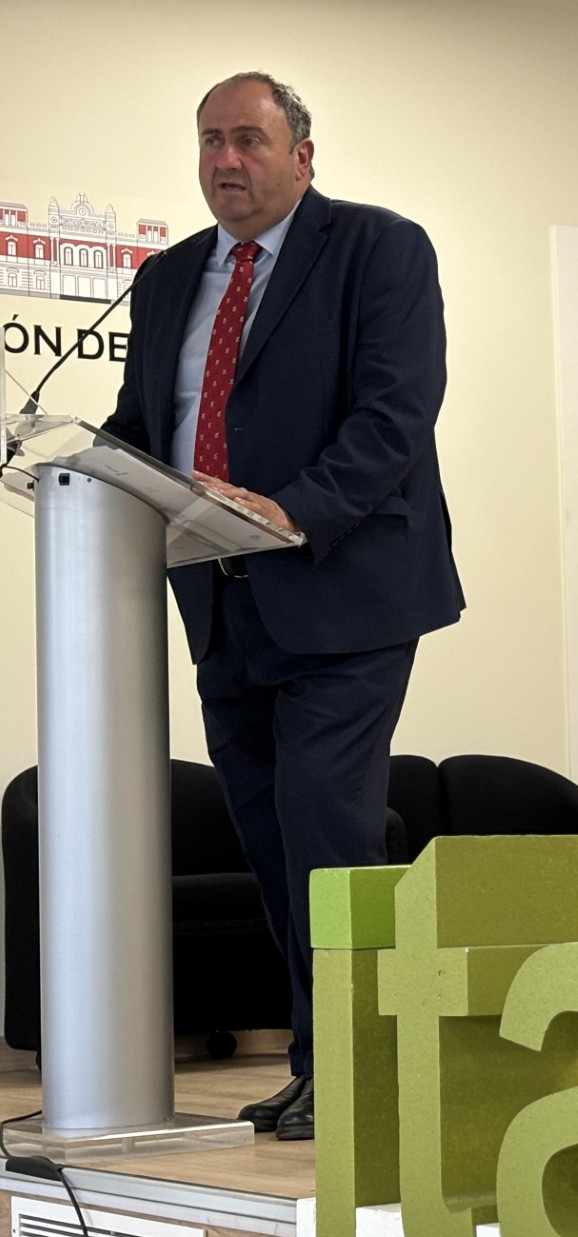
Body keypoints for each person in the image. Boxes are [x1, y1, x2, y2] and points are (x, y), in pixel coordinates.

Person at [101, 73, 463, 1138]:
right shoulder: (169, 278)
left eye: (249, 140)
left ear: (302, 155)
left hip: (342, 590)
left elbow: (395, 415)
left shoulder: (379, 249)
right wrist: (84, 470)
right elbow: (142, 425)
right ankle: (323, 1063)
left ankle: (361, 1074)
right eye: (210, 140)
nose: (226, 160)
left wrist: (293, 511)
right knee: (270, 840)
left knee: (326, 830)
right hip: (219, 598)